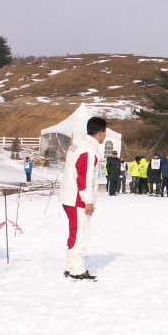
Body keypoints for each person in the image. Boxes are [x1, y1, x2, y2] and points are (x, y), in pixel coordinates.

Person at [60, 116, 107, 281]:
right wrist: (88, 201)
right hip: (77, 198)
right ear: (101, 133)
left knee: (75, 232)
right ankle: (77, 270)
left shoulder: (77, 144)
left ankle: (70, 266)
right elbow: (84, 178)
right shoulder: (87, 150)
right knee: (81, 234)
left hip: (69, 196)